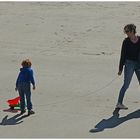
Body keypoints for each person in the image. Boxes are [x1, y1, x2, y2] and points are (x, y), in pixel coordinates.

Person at [116, 24, 140, 109]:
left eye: (127, 31)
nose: (126, 33)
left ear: (132, 31)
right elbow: (122, 55)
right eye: (125, 32)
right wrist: (120, 69)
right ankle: (119, 103)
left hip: (138, 64)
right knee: (126, 85)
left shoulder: (139, 39)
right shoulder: (126, 42)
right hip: (129, 64)